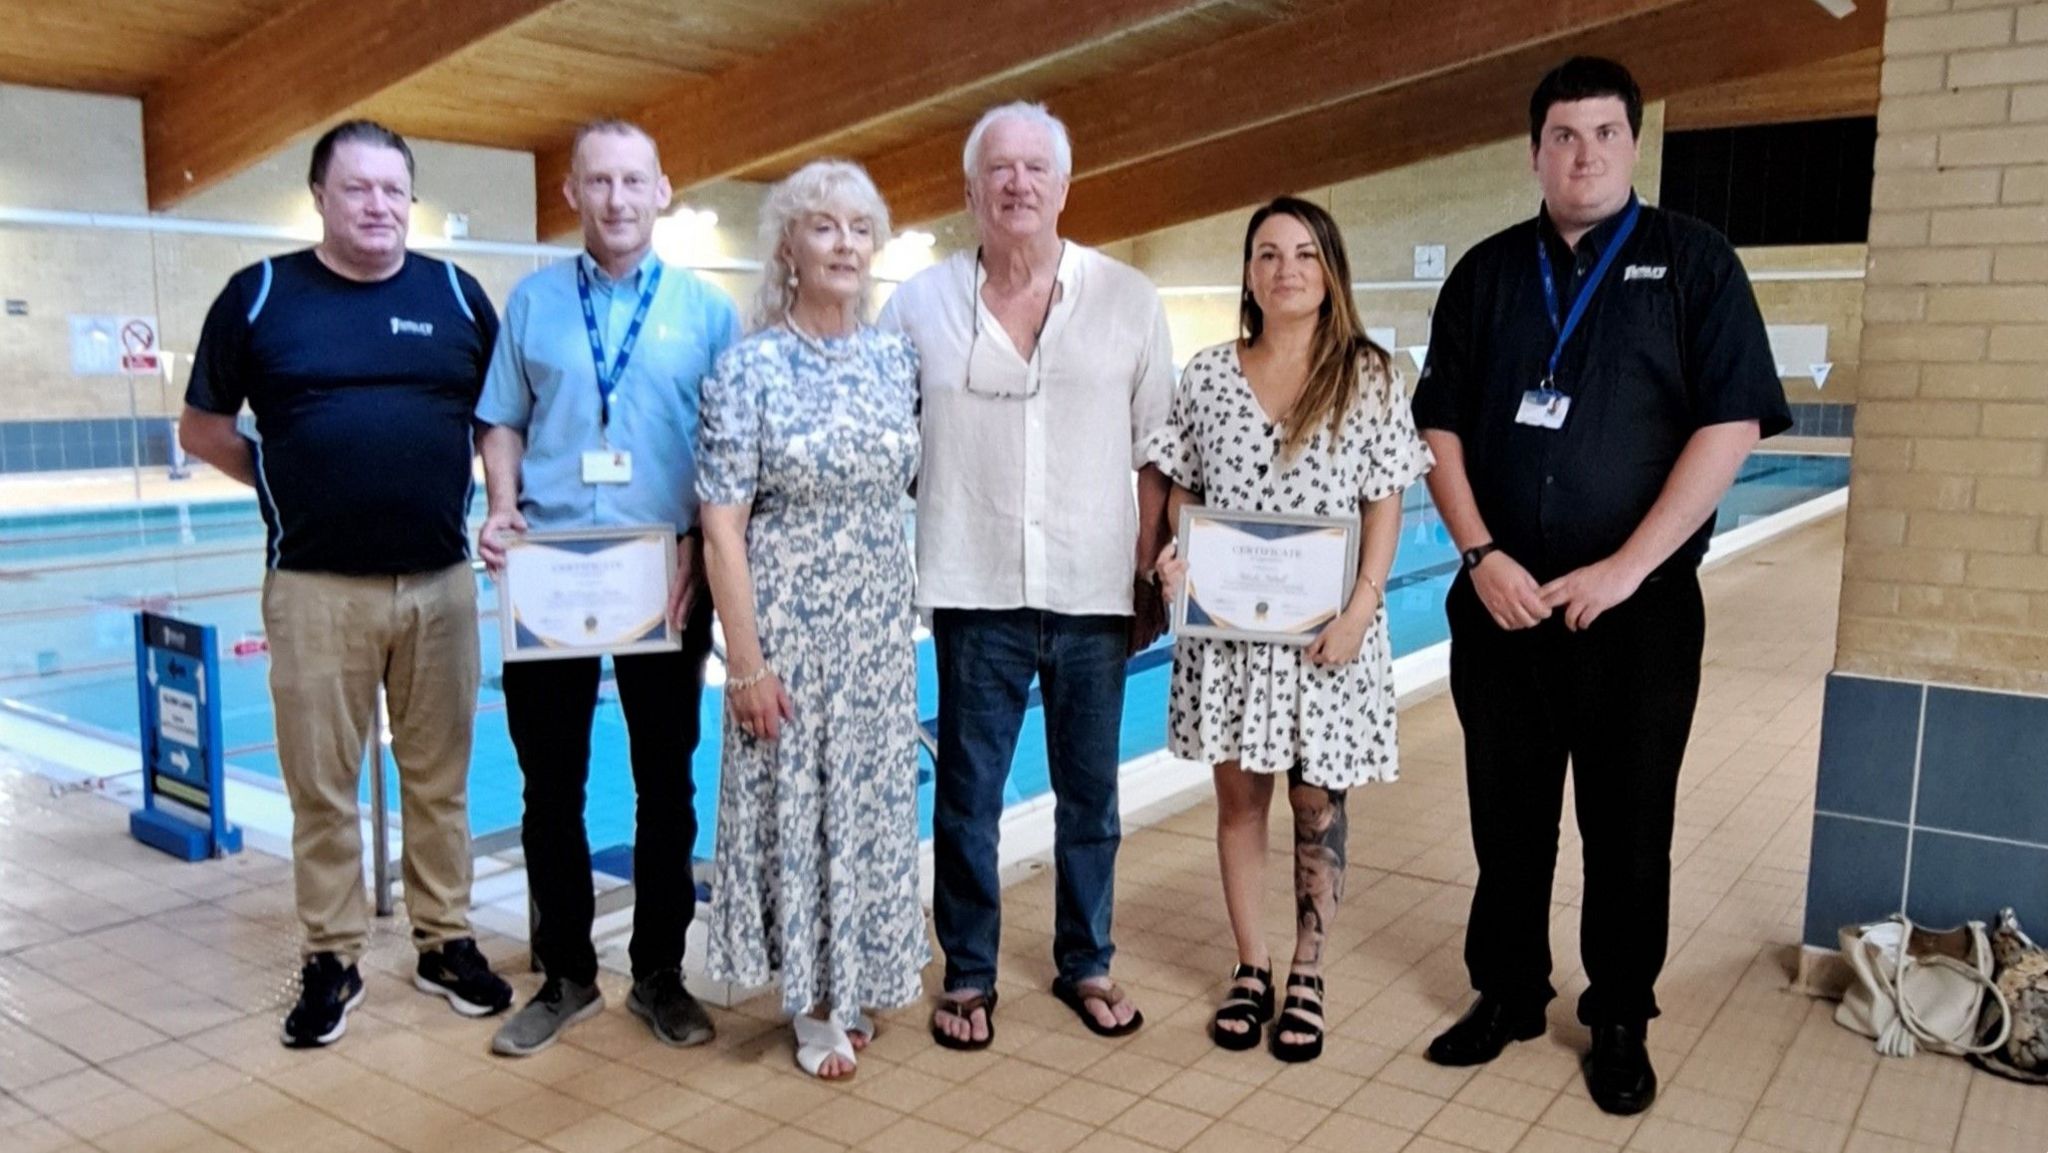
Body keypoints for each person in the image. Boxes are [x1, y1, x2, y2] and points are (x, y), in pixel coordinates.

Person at [1412, 57, 1791, 1114]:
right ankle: (1507, 991)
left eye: (1602, 135)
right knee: (1507, 815)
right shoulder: (1486, 274)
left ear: (1633, 143)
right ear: (1534, 150)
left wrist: (1627, 569)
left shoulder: (1693, 264)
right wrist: (1482, 556)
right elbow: (1435, 425)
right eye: (1562, 136)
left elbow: (1730, 426)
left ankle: (1617, 1014)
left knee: (1627, 824)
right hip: (1503, 607)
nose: (1581, 155)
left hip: (1636, 615)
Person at [179, 120, 514, 1048]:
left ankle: (444, 938)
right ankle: (332, 954)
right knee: (321, 786)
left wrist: (501, 498)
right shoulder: (261, 296)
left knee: (439, 777)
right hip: (315, 587)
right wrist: (285, 477)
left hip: (440, 581)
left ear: (412, 200)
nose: (378, 206)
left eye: (393, 190)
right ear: (321, 197)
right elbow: (202, 429)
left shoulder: (454, 293)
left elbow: (497, 419)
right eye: (358, 189)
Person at [880, 101, 1175, 1050]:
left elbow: (1156, 455)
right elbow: (885, 447)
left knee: (1092, 795)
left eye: (1033, 168)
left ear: (1062, 185)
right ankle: (968, 970)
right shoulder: (917, 305)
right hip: (974, 593)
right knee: (968, 796)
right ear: (970, 189)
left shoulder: (1129, 298)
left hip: (1094, 590)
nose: (1016, 184)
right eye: (997, 169)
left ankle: (1085, 958)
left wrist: (1147, 574)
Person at [475, 120, 738, 1057]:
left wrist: (698, 548)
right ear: (574, 195)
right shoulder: (535, 303)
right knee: (551, 784)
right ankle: (565, 974)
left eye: (634, 181)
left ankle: (660, 973)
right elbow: (501, 418)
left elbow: (728, 449)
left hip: (662, 572)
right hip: (549, 568)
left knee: (666, 786)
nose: (618, 199)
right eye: (599, 182)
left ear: (664, 190)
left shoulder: (707, 312)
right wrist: (502, 504)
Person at [1152, 197, 1431, 1063]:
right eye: (1267, 255)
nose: (1286, 270)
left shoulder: (1369, 375)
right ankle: (1251, 963)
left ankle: (1308, 969)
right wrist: (1175, 556)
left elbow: (1386, 502)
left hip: (1329, 636)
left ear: (1330, 270)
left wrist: (1362, 609)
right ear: (1248, 273)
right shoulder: (1205, 375)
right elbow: (1183, 484)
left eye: (1304, 254)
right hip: (1234, 635)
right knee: (1241, 803)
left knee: (1319, 806)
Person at [696, 159, 928, 1081]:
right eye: (823, 226)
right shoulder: (748, 365)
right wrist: (745, 662)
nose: (844, 244)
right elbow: (721, 520)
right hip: (788, 619)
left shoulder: (893, 358)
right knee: (798, 803)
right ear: (787, 245)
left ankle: (858, 973)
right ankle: (814, 1000)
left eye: (859, 228)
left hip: (877, 627)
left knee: (868, 804)